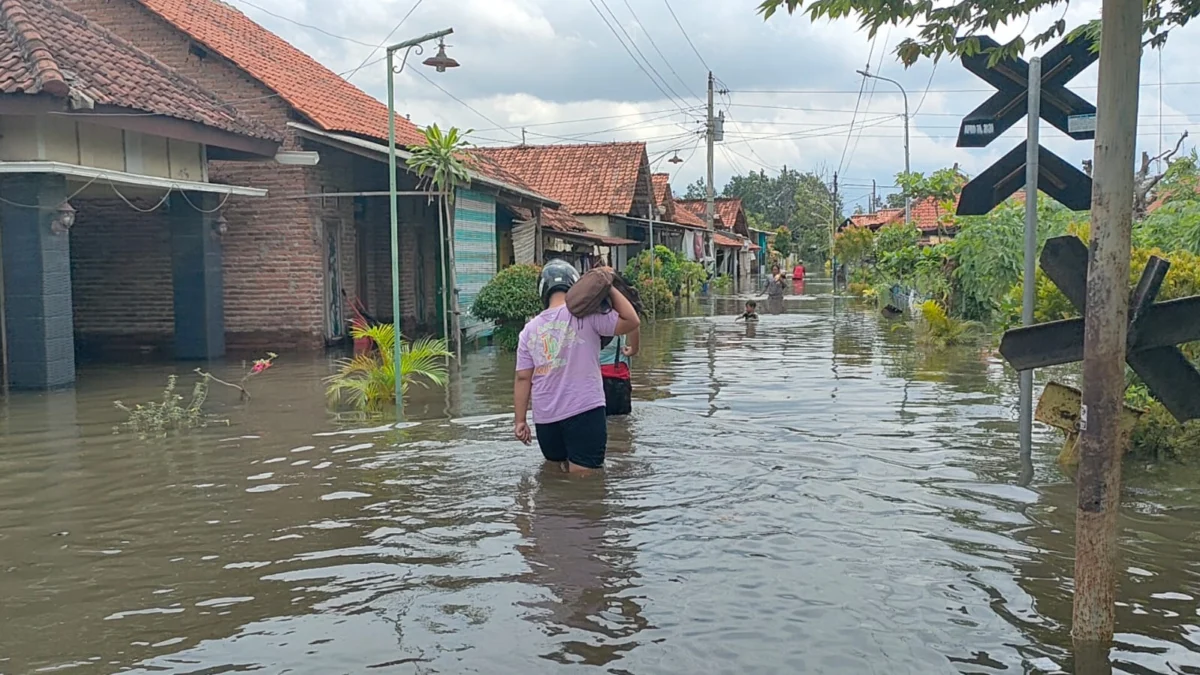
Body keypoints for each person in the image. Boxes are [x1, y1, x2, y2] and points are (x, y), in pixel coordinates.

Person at [514, 260, 640, 474]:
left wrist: (520, 421)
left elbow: (523, 378)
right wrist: (607, 285)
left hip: (546, 419)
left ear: (542, 290)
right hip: (585, 410)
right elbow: (632, 320)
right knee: (585, 484)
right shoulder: (588, 317)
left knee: (555, 478)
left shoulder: (529, 330)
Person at [599, 328, 639, 416]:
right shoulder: (619, 314)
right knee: (621, 420)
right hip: (615, 372)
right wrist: (634, 350)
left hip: (586, 372)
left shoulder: (576, 314)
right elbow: (634, 324)